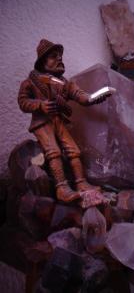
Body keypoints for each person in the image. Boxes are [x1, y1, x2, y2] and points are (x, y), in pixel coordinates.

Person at [18, 39, 110, 203]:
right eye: (54, 56)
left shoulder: (63, 83)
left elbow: (78, 94)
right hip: (42, 123)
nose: (59, 59)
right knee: (53, 151)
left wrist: (92, 98)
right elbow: (23, 101)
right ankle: (61, 188)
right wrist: (40, 105)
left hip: (59, 121)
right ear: (43, 61)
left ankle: (81, 183)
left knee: (74, 150)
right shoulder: (30, 82)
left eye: (60, 56)